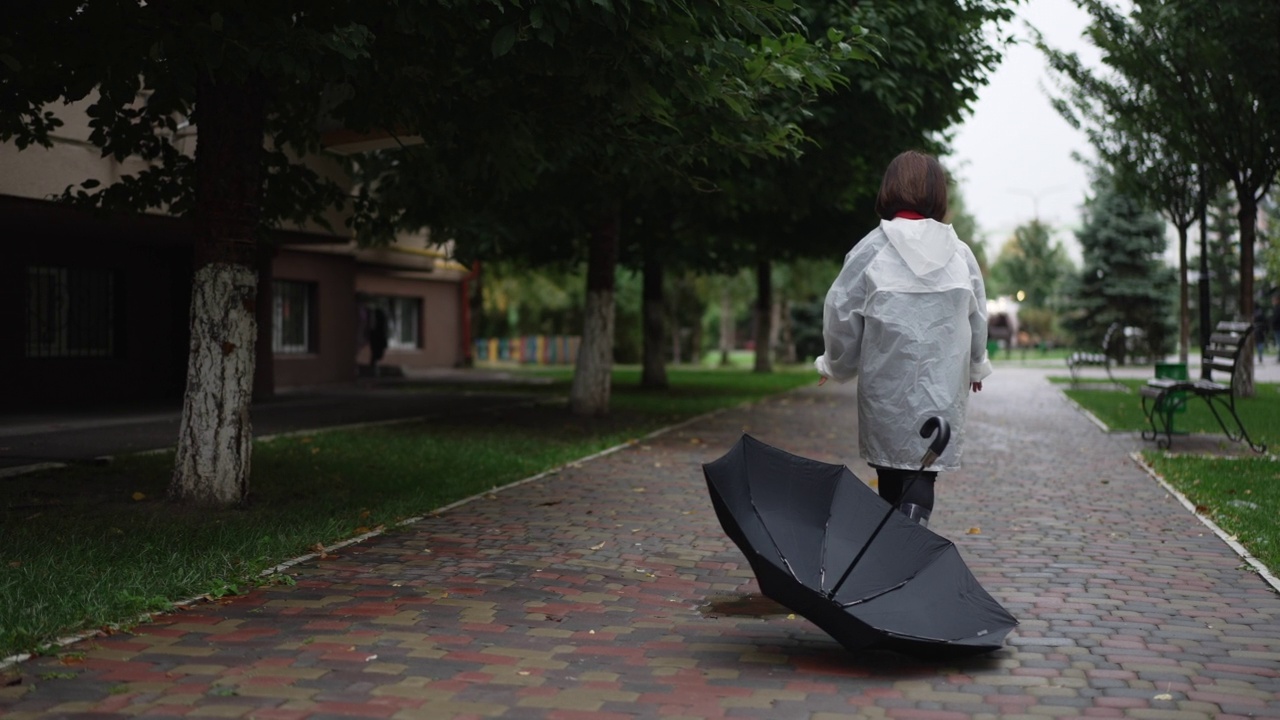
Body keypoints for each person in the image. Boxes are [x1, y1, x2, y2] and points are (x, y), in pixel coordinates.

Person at [814, 150, 992, 528]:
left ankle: (899, 538)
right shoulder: (959, 255)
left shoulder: (870, 251)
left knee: (891, 467)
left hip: (886, 384)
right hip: (941, 383)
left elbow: (842, 312)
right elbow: (978, 315)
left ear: (889, 188)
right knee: (924, 468)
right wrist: (976, 363)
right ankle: (911, 529)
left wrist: (835, 362)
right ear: (937, 193)